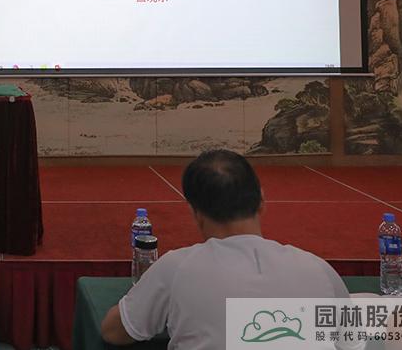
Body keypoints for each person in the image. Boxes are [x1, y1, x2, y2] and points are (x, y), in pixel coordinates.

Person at [101, 149, 361, 350]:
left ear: (196, 213)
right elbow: (351, 343)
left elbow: (114, 332)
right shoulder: (318, 269)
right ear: (262, 200)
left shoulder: (176, 268)